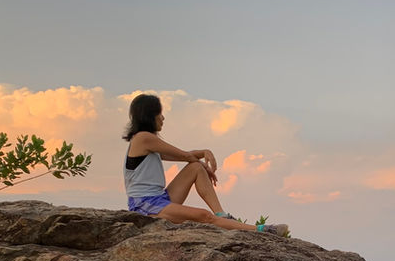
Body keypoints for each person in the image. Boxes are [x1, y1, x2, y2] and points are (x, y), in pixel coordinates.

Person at [122, 94, 289, 236]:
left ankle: (222, 215)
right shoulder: (144, 138)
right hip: (144, 204)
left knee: (195, 168)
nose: (163, 118)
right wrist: (202, 158)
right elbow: (183, 155)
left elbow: (186, 157)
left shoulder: (147, 142)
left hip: (160, 199)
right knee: (204, 216)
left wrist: (204, 154)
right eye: (160, 113)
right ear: (150, 115)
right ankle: (262, 230)